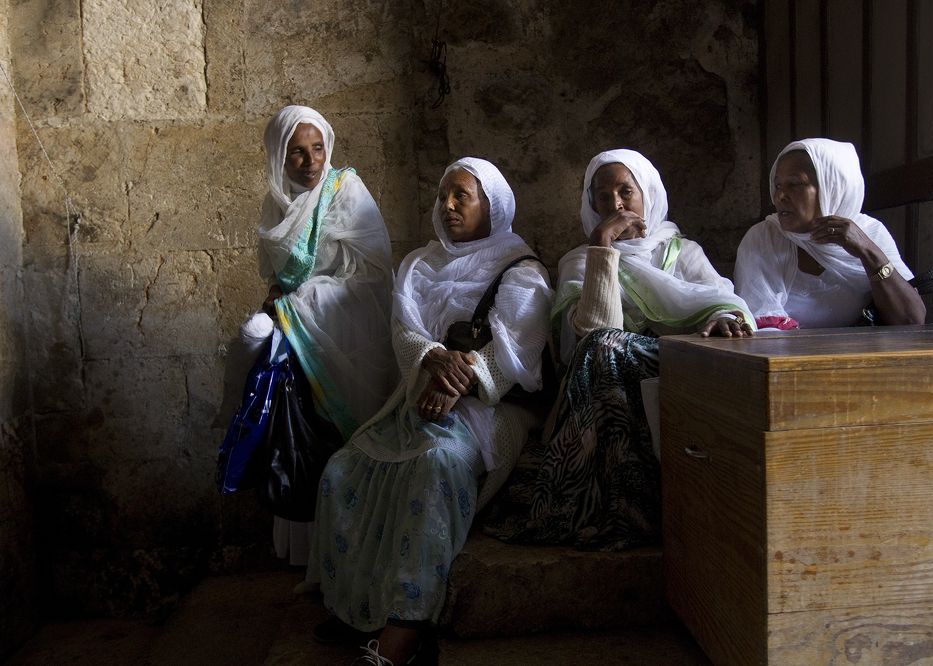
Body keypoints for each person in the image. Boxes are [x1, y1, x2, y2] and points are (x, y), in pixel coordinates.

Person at [304, 157, 553, 665]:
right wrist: (434, 360)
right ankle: (353, 604)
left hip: (491, 408)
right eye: (444, 195)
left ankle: (405, 625)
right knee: (342, 469)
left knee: (436, 464)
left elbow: (518, 351)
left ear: (493, 206)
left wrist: (461, 380)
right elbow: (405, 330)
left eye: (463, 195)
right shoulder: (419, 263)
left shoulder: (522, 269)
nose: (449, 204)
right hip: (421, 394)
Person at [484, 148, 754, 552]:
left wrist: (723, 316)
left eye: (626, 191)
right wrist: (603, 248)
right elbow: (597, 328)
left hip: (674, 364)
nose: (616, 204)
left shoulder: (681, 251)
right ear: (590, 204)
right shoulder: (580, 260)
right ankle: (623, 509)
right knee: (604, 346)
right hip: (603, 375)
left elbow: (722, 299)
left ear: (647, 194)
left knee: (608, 348)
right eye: (602, 195)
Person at [220, 105, 396, 566]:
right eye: (296, 153)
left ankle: (357, 558)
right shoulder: (276, 202)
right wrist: (280, 295)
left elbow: (372, 276)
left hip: (348, 338)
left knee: (338, 442)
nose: (311, 161)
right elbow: (283, 274)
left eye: (317, 148)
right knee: (298, 440)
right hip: (299, 336)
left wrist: (294, 306)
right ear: (279, 158)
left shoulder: (346, 191)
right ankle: (311, 561)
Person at [734, 138, 926, 329]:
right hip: (788, 358)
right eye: (777, 185)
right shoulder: (764, 238)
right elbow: (763, 328)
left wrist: (867, 251)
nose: (779, 196)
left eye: (794, 184)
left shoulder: (870, 232)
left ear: (832, 186)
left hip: (864, 356)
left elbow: (911, 320)